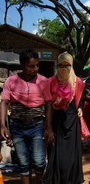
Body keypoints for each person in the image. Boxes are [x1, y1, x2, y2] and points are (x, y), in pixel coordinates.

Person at [0, 49, 54, 184]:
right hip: (17, 127)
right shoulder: (11, 81)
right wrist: (2, 125)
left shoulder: (43, 81)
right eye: (31, 66)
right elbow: (4, 102)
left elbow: (48, 105)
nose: (35, 69)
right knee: (23, 164)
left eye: (37, 65)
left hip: (37, 126)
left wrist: (48, 128)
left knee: (39, 162)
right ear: (22, 65)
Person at [42, 52, 85, 184]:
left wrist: (80, 108)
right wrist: (53, 106)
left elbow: (81, 99)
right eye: (61, 65)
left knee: (71, 156)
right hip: (56, 121)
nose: (64, 68)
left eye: (67, 65)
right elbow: (45, 102)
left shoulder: (77, 82)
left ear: (71, 66)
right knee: (57, 155)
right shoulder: (49, 82)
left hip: (72, 122)